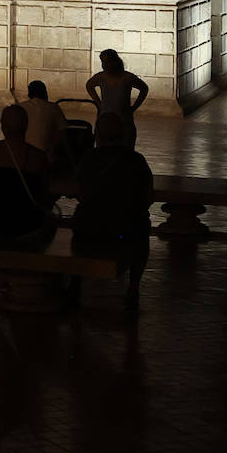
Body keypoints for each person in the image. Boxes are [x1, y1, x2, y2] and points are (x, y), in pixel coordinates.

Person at [71, 111, 153, 309]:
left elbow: (78, 192)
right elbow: (148, 197)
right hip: (125, 229)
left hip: (89, 229)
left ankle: (75, 283)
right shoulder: (136, 160)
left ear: (97, 135)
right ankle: (133, 287)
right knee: (143, 233)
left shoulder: (88, 158)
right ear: (123, 134)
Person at [0, 105, 50, 241]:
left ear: (3, 127)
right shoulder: (38, 156)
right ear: (26, 126)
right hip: (27, 224)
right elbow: (43, 190)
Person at [86, 49, 149, 148]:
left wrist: (134, 107)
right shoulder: (101, 77)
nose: (105, 65)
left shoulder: (127, 77)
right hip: (105, 118)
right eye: (103, 62)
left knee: (125, 149)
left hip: (123, 119)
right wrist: (99, 103)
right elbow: (89, 85)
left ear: (115, 62)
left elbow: (144, 88)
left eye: (107, 62)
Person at [21, 80, 68, 164]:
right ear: (45, 93)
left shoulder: (21, 107)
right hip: (46, 155)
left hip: (25, 153)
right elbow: (63, 132)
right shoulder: (53, 107)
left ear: (29, 94)